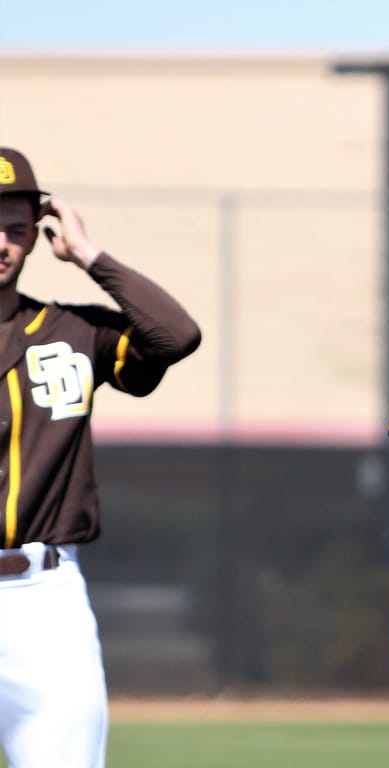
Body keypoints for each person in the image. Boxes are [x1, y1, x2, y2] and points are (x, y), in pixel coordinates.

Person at [0, 147, 202, 768]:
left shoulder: (71, 333)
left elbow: (176, 336)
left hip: (43, 601)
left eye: (14, 228)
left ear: (37, 234)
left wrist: (89, 257)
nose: (1, 242)